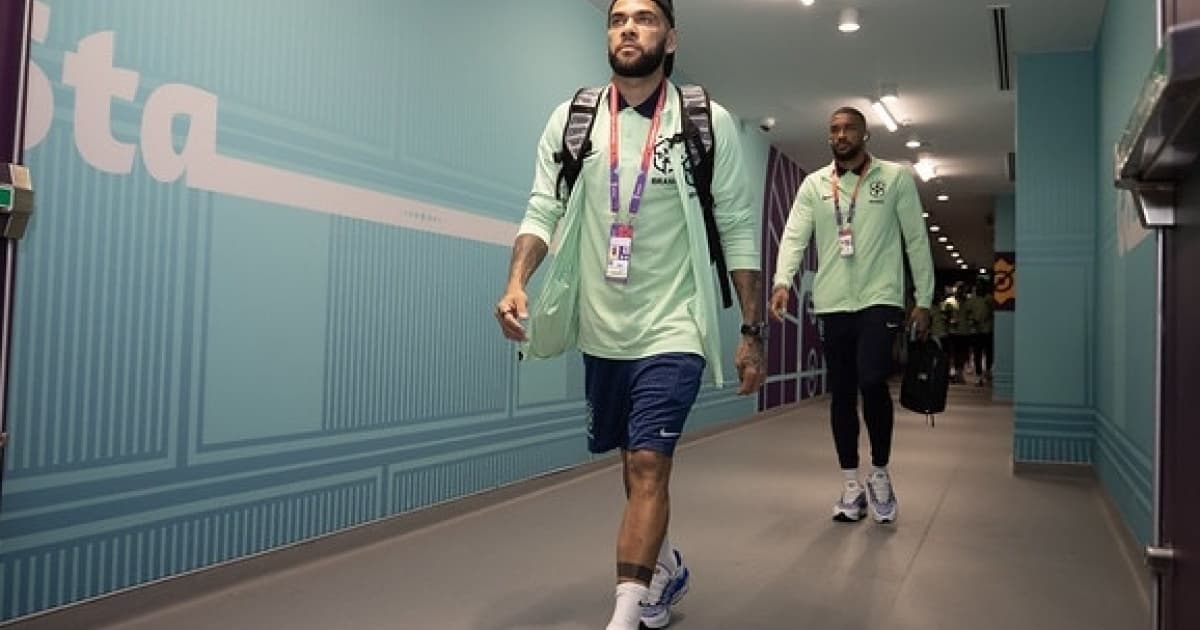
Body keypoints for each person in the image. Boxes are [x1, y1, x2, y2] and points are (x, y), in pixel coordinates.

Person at [494, 1, 765, 628]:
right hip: (603, 325)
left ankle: (624, 613)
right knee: (630, 459)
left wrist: (751, 332)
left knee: (649, 462)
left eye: (644, 18)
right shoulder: (575, 119)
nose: (628, 28)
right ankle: (665, 565)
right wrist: (515, 280)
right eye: (617, 18)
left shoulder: (704, 121)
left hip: (675, 323)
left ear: (670, 38)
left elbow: (739, 227)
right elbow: (543, 207)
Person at [769, 107, 934, 525]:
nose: (841, 135)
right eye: (835, 129)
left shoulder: (894, 179)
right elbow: (793, 234)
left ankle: (879, 472)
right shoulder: (814, 185)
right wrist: (782, 281)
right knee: (842, 391)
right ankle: (850, 483)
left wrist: (926, 299)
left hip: (881, 298)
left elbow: (915, 238)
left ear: (865, 135)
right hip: (833, 302)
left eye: (849, 129)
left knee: (872, 379)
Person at [964, 278, 995, 385]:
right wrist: (972, 320)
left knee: (989, 353)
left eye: (981, 285)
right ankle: (978, 375)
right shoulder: (972, 299)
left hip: (987, 329)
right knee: (977, 353)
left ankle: (988, 372)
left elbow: (994, 311)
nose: (978, 287)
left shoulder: (989, 298)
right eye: (977, 285)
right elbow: (967, 312)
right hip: (976, 330)